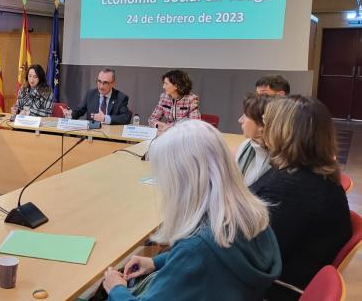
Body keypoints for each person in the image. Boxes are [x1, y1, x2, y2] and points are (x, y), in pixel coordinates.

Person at [99, 120, 280, 301]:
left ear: (181, 180)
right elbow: (217, 257)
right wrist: (156, 261)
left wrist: (116, 289)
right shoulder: (251, 214)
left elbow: (198, 256)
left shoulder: (196, 248)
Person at [251, 96, 351, 300]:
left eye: (267, 122)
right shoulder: (305, 172)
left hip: (271, 289)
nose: (263, 128)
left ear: (283, 132)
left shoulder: (292, 190)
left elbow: (256, 256)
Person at [61, 68, 131, 125]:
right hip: (92, 136)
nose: (101, 86)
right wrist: (70, 115)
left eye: (105, 83)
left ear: (113, 84)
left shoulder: (121, 98)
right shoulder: (91, 94)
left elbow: (125, 118)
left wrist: (105, 118)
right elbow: (79, 111)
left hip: (111, 138)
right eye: (99, 81)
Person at [235, 93, 275, 187]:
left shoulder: (279, 160)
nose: (240, 120)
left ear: (262, 123)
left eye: (246, 115)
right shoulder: (247, 145)